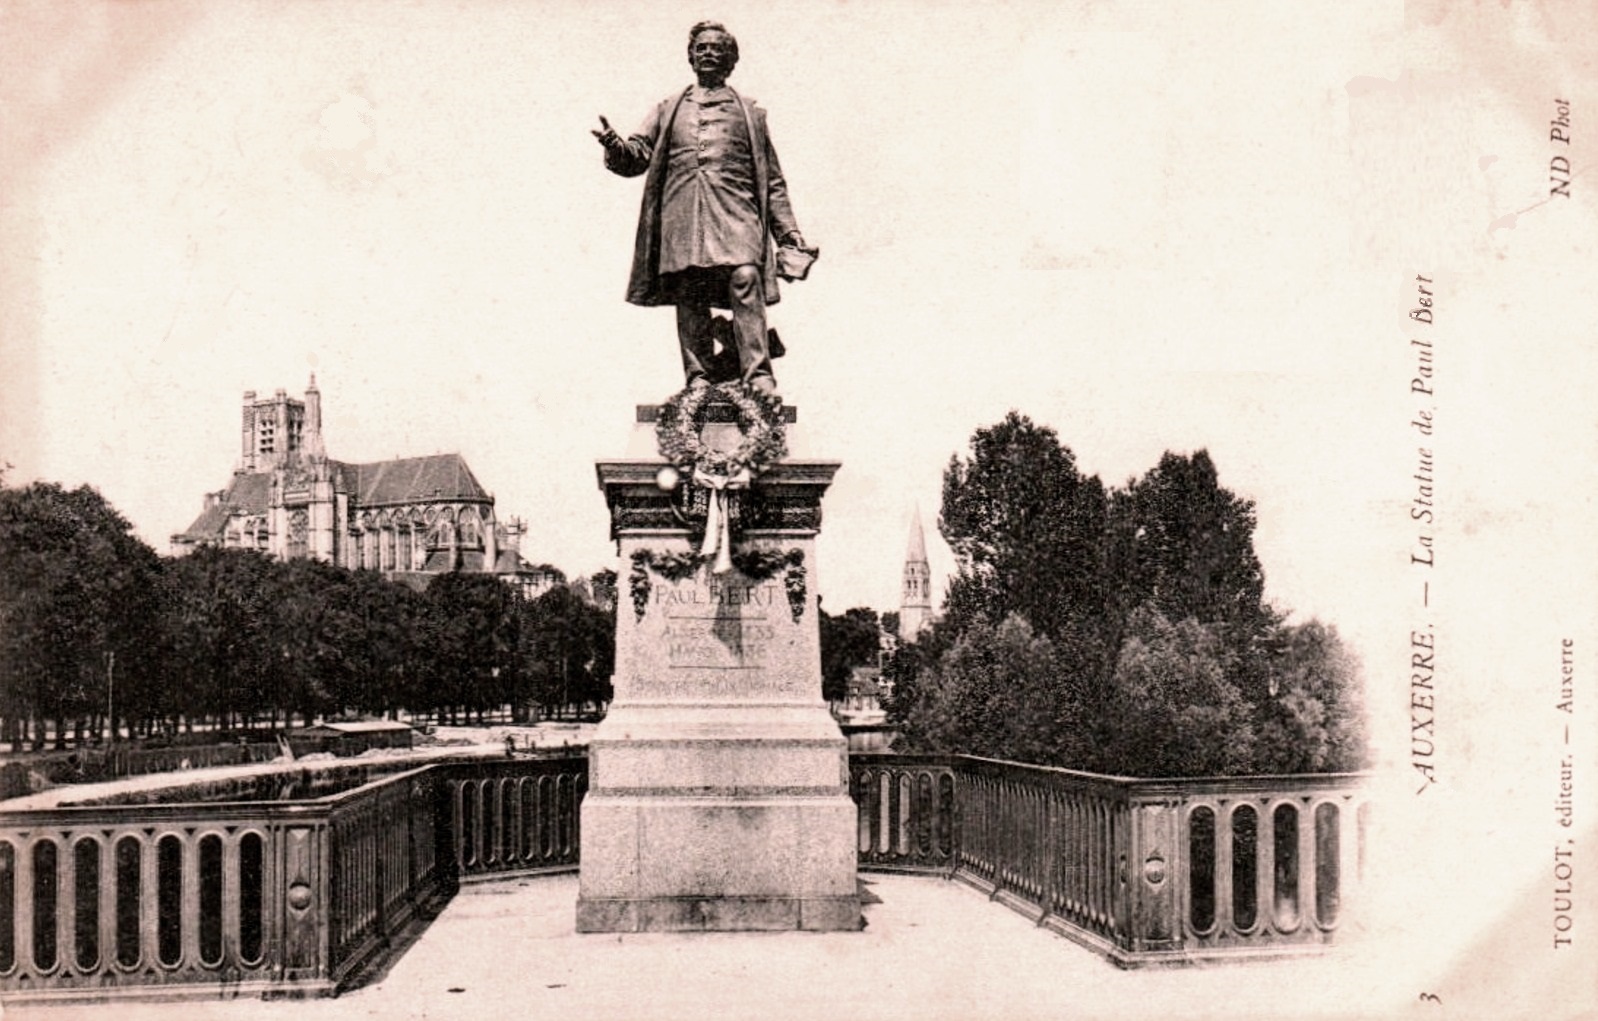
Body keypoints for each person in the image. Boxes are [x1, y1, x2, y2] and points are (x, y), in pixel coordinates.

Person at [593, 21, 807, 395]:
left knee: (745, 277)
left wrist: (789, 234)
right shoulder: (667, 108)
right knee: (689, 289)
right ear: (691, 56)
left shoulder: (751, 114)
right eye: (701, 47)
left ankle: (758, 374)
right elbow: (636, 157)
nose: (708, 53)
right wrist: (615, 145)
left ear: (731, 59)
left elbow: (772, 181)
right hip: (683, 215)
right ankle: (698, 377)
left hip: (736, 211)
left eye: (717, 48)